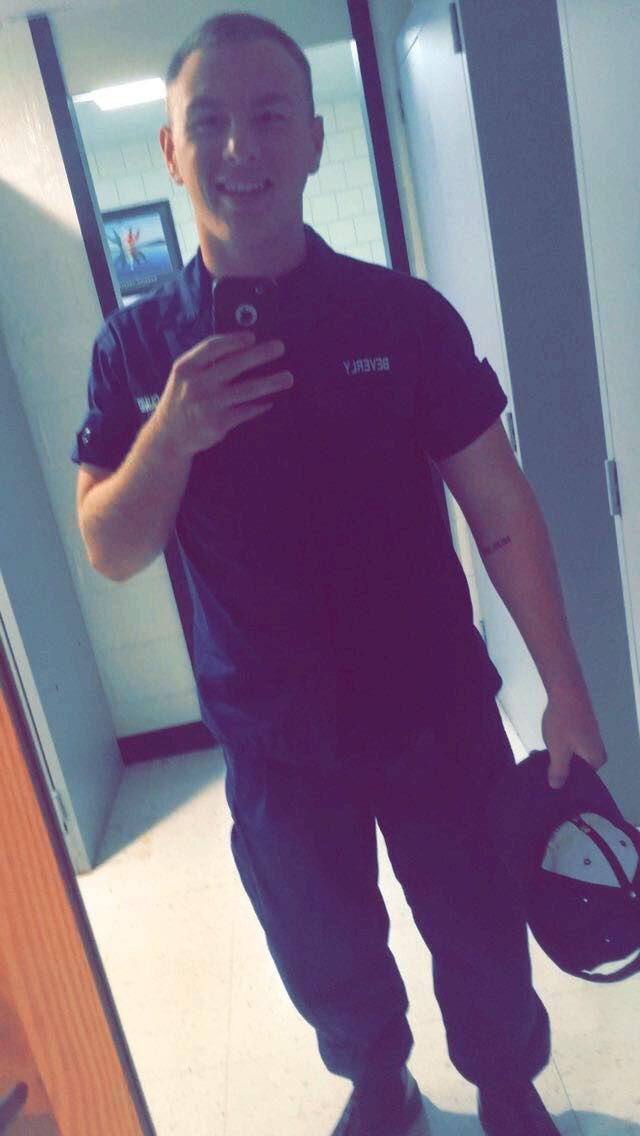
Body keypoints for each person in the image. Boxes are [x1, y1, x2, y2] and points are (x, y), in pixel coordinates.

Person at [71, 13, 608, 1136]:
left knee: (477, 924)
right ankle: (377, 1079)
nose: (240, 147)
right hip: (272, 737)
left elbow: (500, 507)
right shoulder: (133, 353)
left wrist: (564, 684)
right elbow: (111, 547)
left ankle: (506, 1081)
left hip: (434, 712)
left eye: (270, 115)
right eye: (208, 122)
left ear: (315, 140)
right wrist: (170, 434)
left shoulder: (401, 317)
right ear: (170, 150)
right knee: (321, 945)